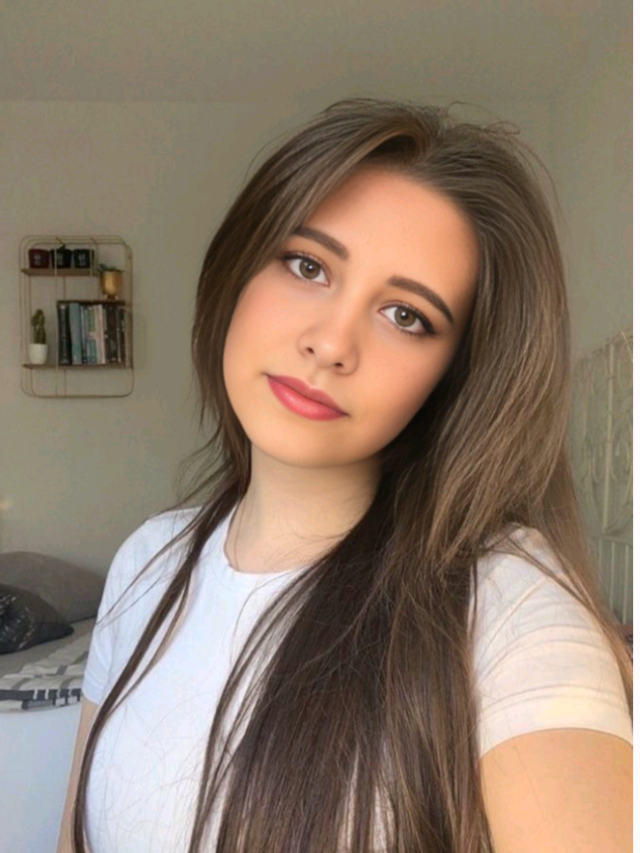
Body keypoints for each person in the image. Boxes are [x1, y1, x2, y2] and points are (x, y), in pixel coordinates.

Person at [57, 99, 632, 853]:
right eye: (308, 266)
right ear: (238, 268)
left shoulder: (504, 600)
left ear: (453, 377)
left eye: (406, 316)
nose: (331, 343)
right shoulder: (148, 562)